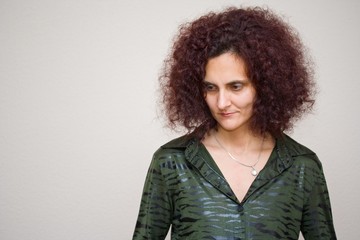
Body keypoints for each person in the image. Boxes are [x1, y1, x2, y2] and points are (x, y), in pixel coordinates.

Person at [133, 6, 336, 240]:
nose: (221, 102)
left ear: (266, 86)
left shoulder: (301, 166)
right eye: (210, 88)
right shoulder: (171, 162)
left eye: (235, 86)